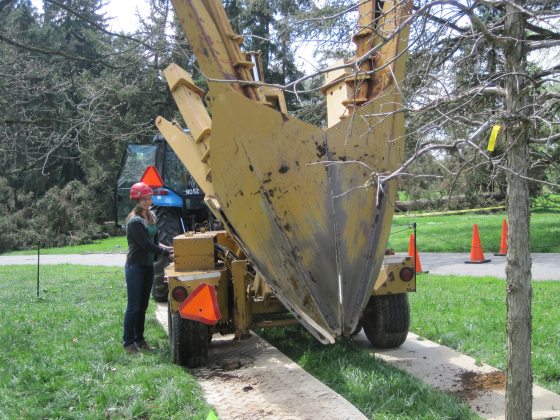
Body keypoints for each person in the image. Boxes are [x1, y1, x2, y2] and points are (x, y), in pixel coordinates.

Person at [123, 182, 173, 353]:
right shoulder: (134, 222)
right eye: (143, 199)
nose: (147, 201)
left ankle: (140, 339)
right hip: (135, 267)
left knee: (143, 305)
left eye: (149, 198)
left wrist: (168, 248)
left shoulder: (151, 216)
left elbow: (155, 242)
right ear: (136, 200)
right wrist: (166, 254)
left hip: (147, 267)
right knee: (134, 306)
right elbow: (145, 245)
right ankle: (128, 342)